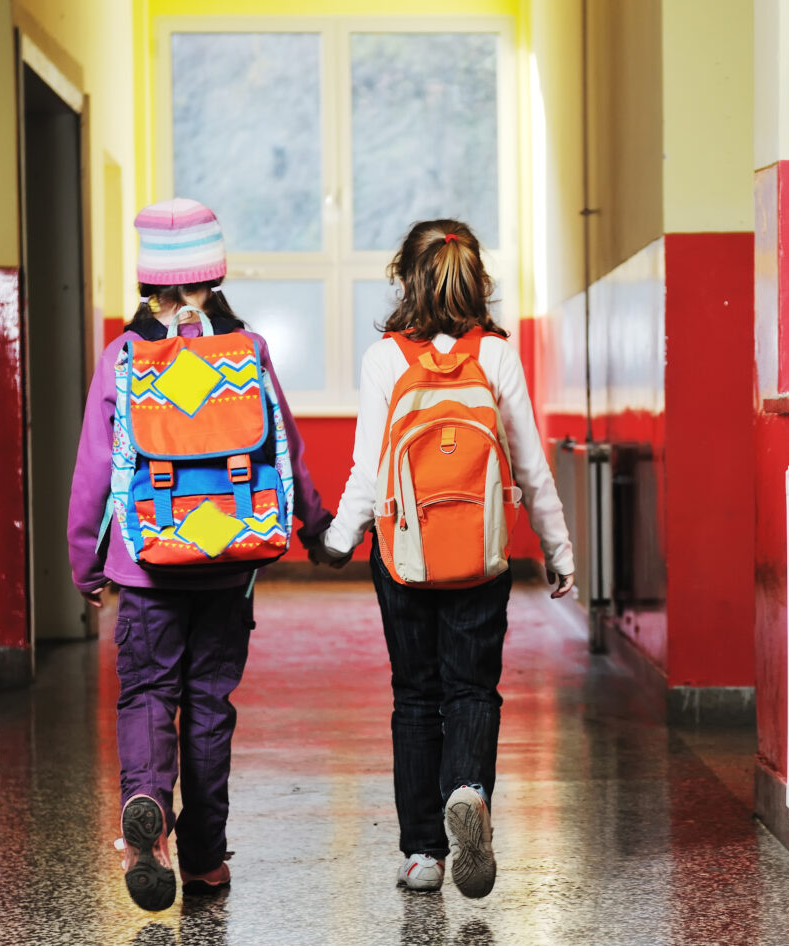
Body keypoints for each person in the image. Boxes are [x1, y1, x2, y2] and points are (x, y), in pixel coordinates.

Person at [67, 197, 331, 911]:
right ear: (215, 274)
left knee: (148, 695)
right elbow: (286, 452)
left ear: (148, 279)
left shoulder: (124, 357)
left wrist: (84, 565)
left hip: (145, 565)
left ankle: (145, 810)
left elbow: (94, 471)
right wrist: (313, 525)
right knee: (209, 706)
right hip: (227, 561)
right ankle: (205, 861)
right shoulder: (246, 352)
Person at [312, 219, 574, 899]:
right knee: (473, 688)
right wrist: (558, 549)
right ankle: (469, 789)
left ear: (404, 277)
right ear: (477, 281)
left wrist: (339, 540)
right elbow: (529, 465)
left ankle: (424, 855)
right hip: (482, 554)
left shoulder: (385, 360)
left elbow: (369, 473)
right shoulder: (496, 356)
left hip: (402, 553)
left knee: (415, 696)